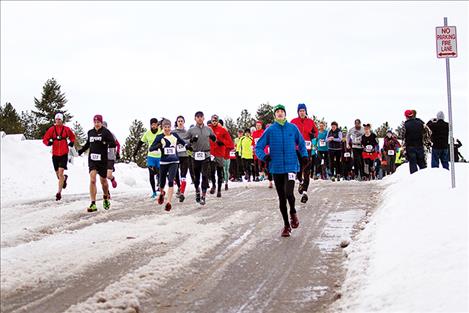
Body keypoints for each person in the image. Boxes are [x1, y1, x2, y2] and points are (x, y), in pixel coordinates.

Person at [256, 104, 308, 237]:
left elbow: (301, 144)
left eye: (282, 111)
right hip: (276, 167)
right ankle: (286, 225)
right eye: (277, 112)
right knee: (281, 198)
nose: (280, 113)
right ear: (275, 115)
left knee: (289, 193)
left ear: (285, 114)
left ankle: (293, 213)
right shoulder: (270, 130)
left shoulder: (293, 128)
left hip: (291, 166)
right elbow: (258, 147)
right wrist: (264, 157)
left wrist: (304, 156)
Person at [78, 115, 116, 212]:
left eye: (98, 122)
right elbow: (88, 144)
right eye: (95, 122)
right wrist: (81, 151)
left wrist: (105, 143)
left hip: (103, 160)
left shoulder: (106, 132)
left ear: (101, 122)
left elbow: (113, 143)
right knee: (92, 180)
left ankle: (105, 197)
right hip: (92, 160)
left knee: (103, 182)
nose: (96, 124)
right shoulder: (90, 132)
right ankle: (93, 203)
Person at [149, 119, 187, 211]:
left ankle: (169, 202)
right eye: (165, 127)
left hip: (174, 162)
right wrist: (157, 146)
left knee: (171, 180)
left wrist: (188, 146)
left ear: (171, 127)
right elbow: (151, 148)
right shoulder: (159, 137)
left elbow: (183, 143)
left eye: (168, 127)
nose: (167, 129)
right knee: (162, 183)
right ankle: (162, 193)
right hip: (163, 162)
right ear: (162, 127)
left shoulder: (174, 135)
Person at [42, 113, 76, 201]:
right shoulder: (52, 129)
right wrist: (48, 143)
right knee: (58, 175)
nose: (58, 121)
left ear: (62, 120)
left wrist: (72, 142)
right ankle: (64, 178)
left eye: (59, 119)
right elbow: (45, 139)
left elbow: (72, 137)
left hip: (64, 153)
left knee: (60, 173)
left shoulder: (66, 129)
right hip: (55, 154)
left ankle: (59, 193)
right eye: (56, 119)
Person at [186, 111, 217, 205]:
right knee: (196, 177)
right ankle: (197, 191)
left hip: (206, 155)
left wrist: (213, 138)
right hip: (195, 155)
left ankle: (203, 196)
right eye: (197, 117)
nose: (199, 118)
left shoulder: (208, 129)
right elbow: (184, 141)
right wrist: (191, 140)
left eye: (201, 117)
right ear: (195, 119)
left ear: (203, 118)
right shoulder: (191, 130)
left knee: (204, 175)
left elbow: (214, 139)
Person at [290, 103, 318, 203]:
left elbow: (316, 132)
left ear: (306, 112)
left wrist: (313, 135)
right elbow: (289, 132)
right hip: (296, 148)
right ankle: (301, 181)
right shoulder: (293, 122)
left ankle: (305, 192)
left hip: (307, 148)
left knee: (306, 170)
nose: (302, 112)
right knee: (298, 168)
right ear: (298, 112)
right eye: (300, 111)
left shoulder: (310, 122)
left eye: (303, 111)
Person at [134, 118, 163, 198]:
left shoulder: (161, 131)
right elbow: (140, 142)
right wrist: (135, 151)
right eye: (152, 124)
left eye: (155, 124)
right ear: (150, 125)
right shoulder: (147, 133)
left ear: (157, 124)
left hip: (160, 156)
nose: (154, 126)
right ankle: (154, 192)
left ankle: (160, 188)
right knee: (151, 174)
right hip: (151, 156)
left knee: (160, 173)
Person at [209, 114, 234, 197]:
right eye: (213, 121)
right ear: (211, 121)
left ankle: (219, 190)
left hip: (220, 154)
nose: (214, 122)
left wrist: (222, 142)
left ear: (218, 121)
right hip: (211, 154)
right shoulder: (208, 129)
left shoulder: (222, 130)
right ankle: (213, 185)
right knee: (212, 171)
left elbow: (230, 143)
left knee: (220, 172)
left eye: (216, 120)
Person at [402, 110, 428, 174]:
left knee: (413, 164)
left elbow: (403, 136)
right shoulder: (420, 123)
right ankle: (424, 177)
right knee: (422, 163)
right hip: (420, 145)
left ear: (406, 116)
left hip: (410, 146)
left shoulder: (405, 125)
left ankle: (414, 179)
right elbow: (427, 132)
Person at [172, 115, 190, 202]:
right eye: (178, 121)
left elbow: (190, 142)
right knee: (176, 174)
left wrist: (185, 143)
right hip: (175, 156)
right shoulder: (173, 132)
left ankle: (182, 192)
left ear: (184, 122)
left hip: (184, 156)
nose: (180, 122)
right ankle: (179, 187)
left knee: (183, 174)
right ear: (176, 122)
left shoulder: (187, 132)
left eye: (181, 121)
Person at [102, 121, 120, 193]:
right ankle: (107, 192)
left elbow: (118, 144)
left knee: (108, 175)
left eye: (104, 127)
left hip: (110, 157)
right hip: (102, 158)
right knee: (103, 177)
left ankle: (112, 179)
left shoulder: (111, 135)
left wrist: (117, 153)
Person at [219, 119, 234, 190]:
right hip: (219, 155)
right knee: (220, 170)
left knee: (226, 170)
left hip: (226, 155)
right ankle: (219, 183)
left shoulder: (226, 134)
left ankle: (226, 183)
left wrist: (225, 145)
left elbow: (231, 145)